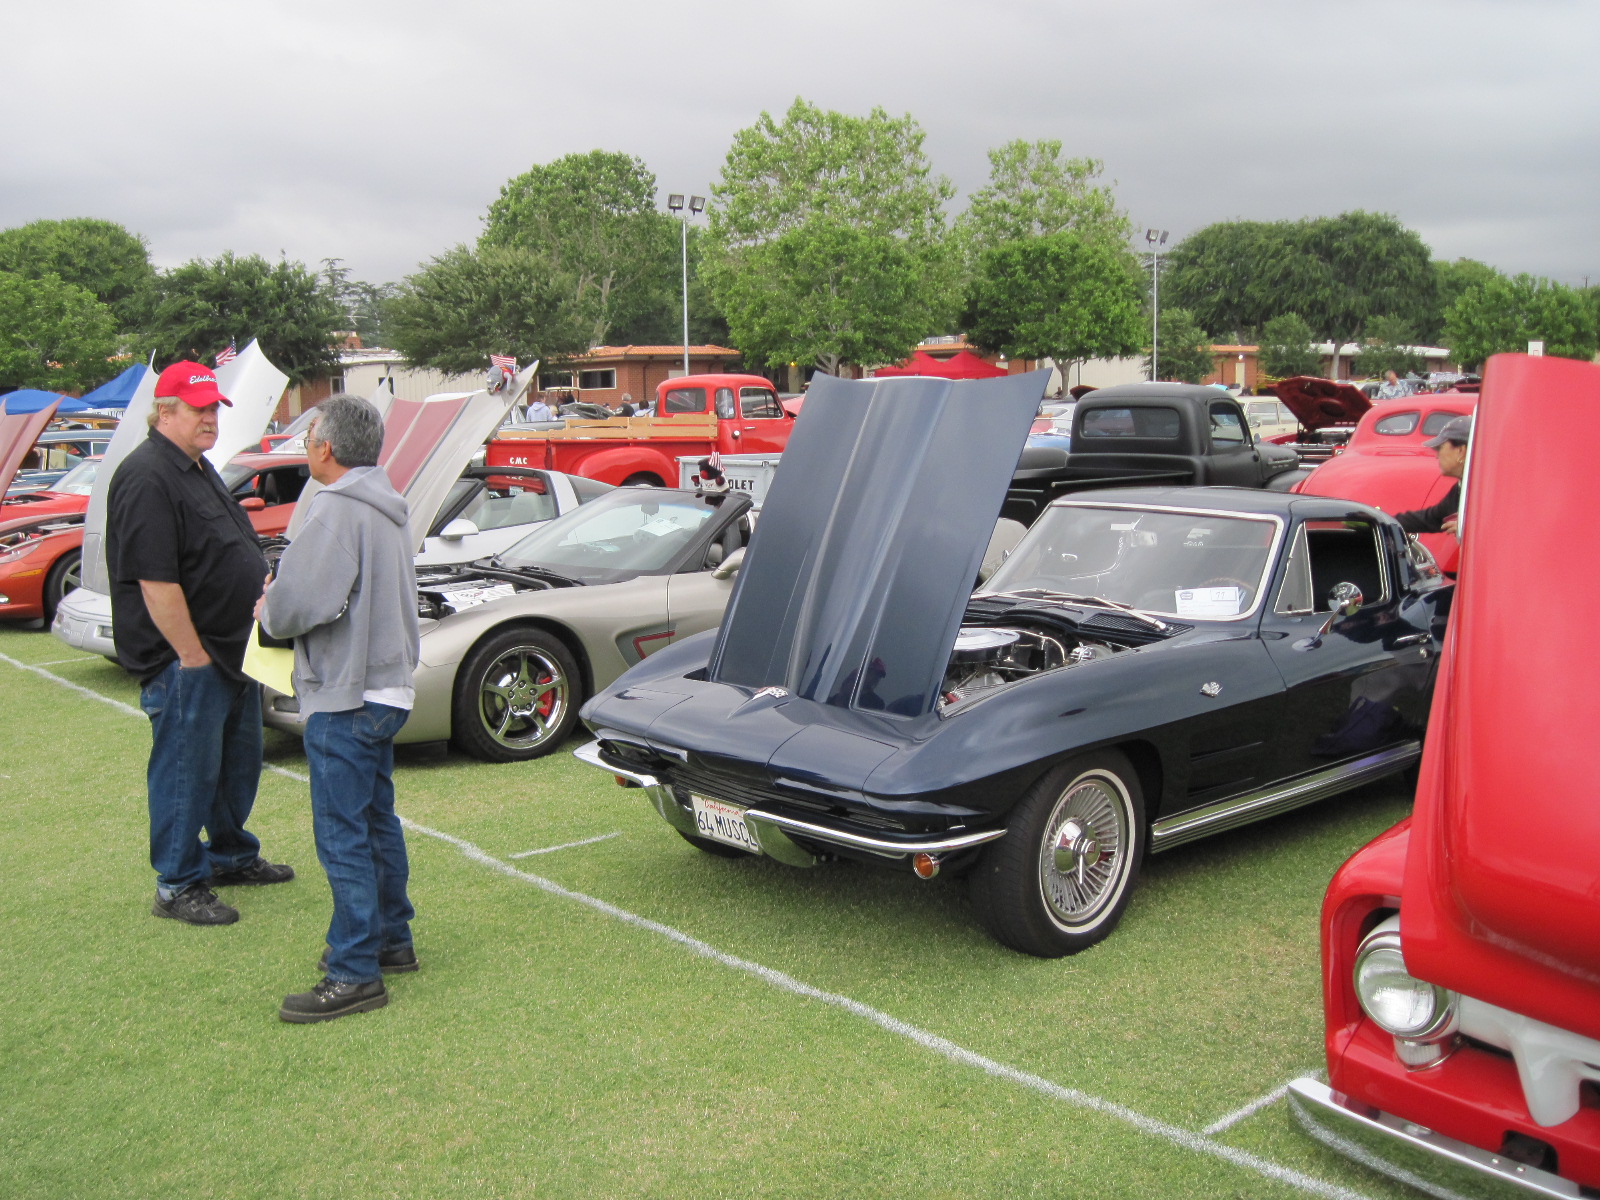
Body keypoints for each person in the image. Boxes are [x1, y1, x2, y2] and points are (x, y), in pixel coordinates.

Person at [106, 361, 292, 927]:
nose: (210, 418)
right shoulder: (146, 476)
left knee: (236, 761)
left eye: (214, 408)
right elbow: (156, 582)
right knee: (186, 769)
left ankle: (231, 853)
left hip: (230, 649)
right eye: (198, 409)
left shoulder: (193, 465)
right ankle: (178, 882)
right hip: (188, 656)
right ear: (165, 412)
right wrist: (190, 656)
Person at [259, 393, 421, 1023]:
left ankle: (355, 970)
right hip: (388, 689)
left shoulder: (332, 509)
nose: (305, 449)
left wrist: (269, 610)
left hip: (347, 691)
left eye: (307, 440)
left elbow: (296, 601)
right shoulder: (385, 503)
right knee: (377, 820)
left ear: (326, 447)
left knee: (343, 833)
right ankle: (391, 939)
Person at [1394, 415, 1471, 536]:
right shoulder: (1461, 488)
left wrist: (1469, 528)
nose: (1436, 456)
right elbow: (1431, 518)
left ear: (1461, 451)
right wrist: (1383, 520)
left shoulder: (1489, 490)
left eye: (1440, 448)